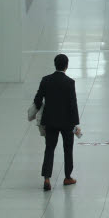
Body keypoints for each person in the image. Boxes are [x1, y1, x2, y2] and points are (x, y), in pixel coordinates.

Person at [33, 54, 81, 191]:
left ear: (55, 64)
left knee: (49, 149)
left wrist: (39, 108)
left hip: (50, 121)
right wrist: (75, 124)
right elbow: (73, 105)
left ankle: (47, 178)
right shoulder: (70, 83)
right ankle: (67, 177)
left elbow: (37, 99)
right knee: (68, 149)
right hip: (67, 123)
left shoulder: (46, 80)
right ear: (67, 65)